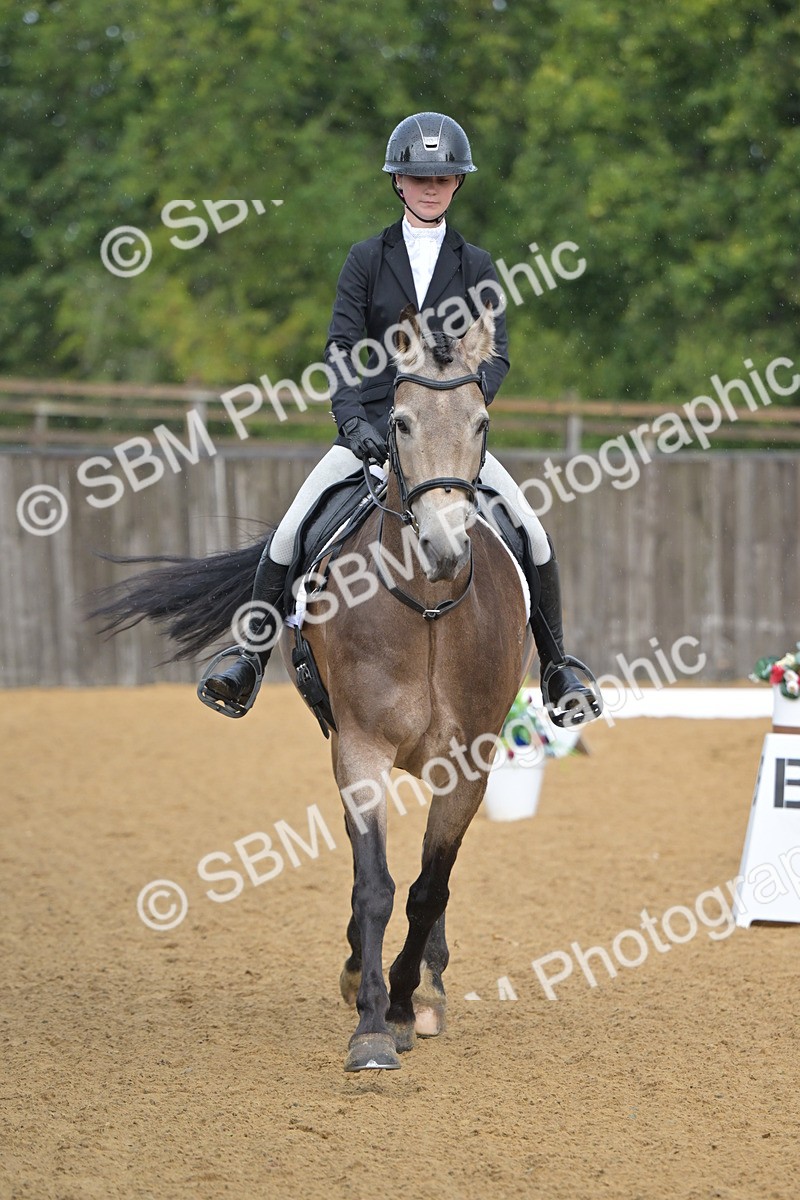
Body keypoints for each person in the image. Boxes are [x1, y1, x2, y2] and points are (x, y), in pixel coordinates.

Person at [199, 112, 600, 725]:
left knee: (534, 537)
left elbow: (496, 353)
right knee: (289, 533)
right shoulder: (366, 258)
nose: (430, 187)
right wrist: (353, 423)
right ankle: (247, 659)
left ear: (458, 183)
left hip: (448, 443)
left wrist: (461, 412)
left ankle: (556, 668)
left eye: (442, 178)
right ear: (398, 182)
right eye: (418, 177)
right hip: (372, 432)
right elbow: (340, 349)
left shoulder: (477, 264)